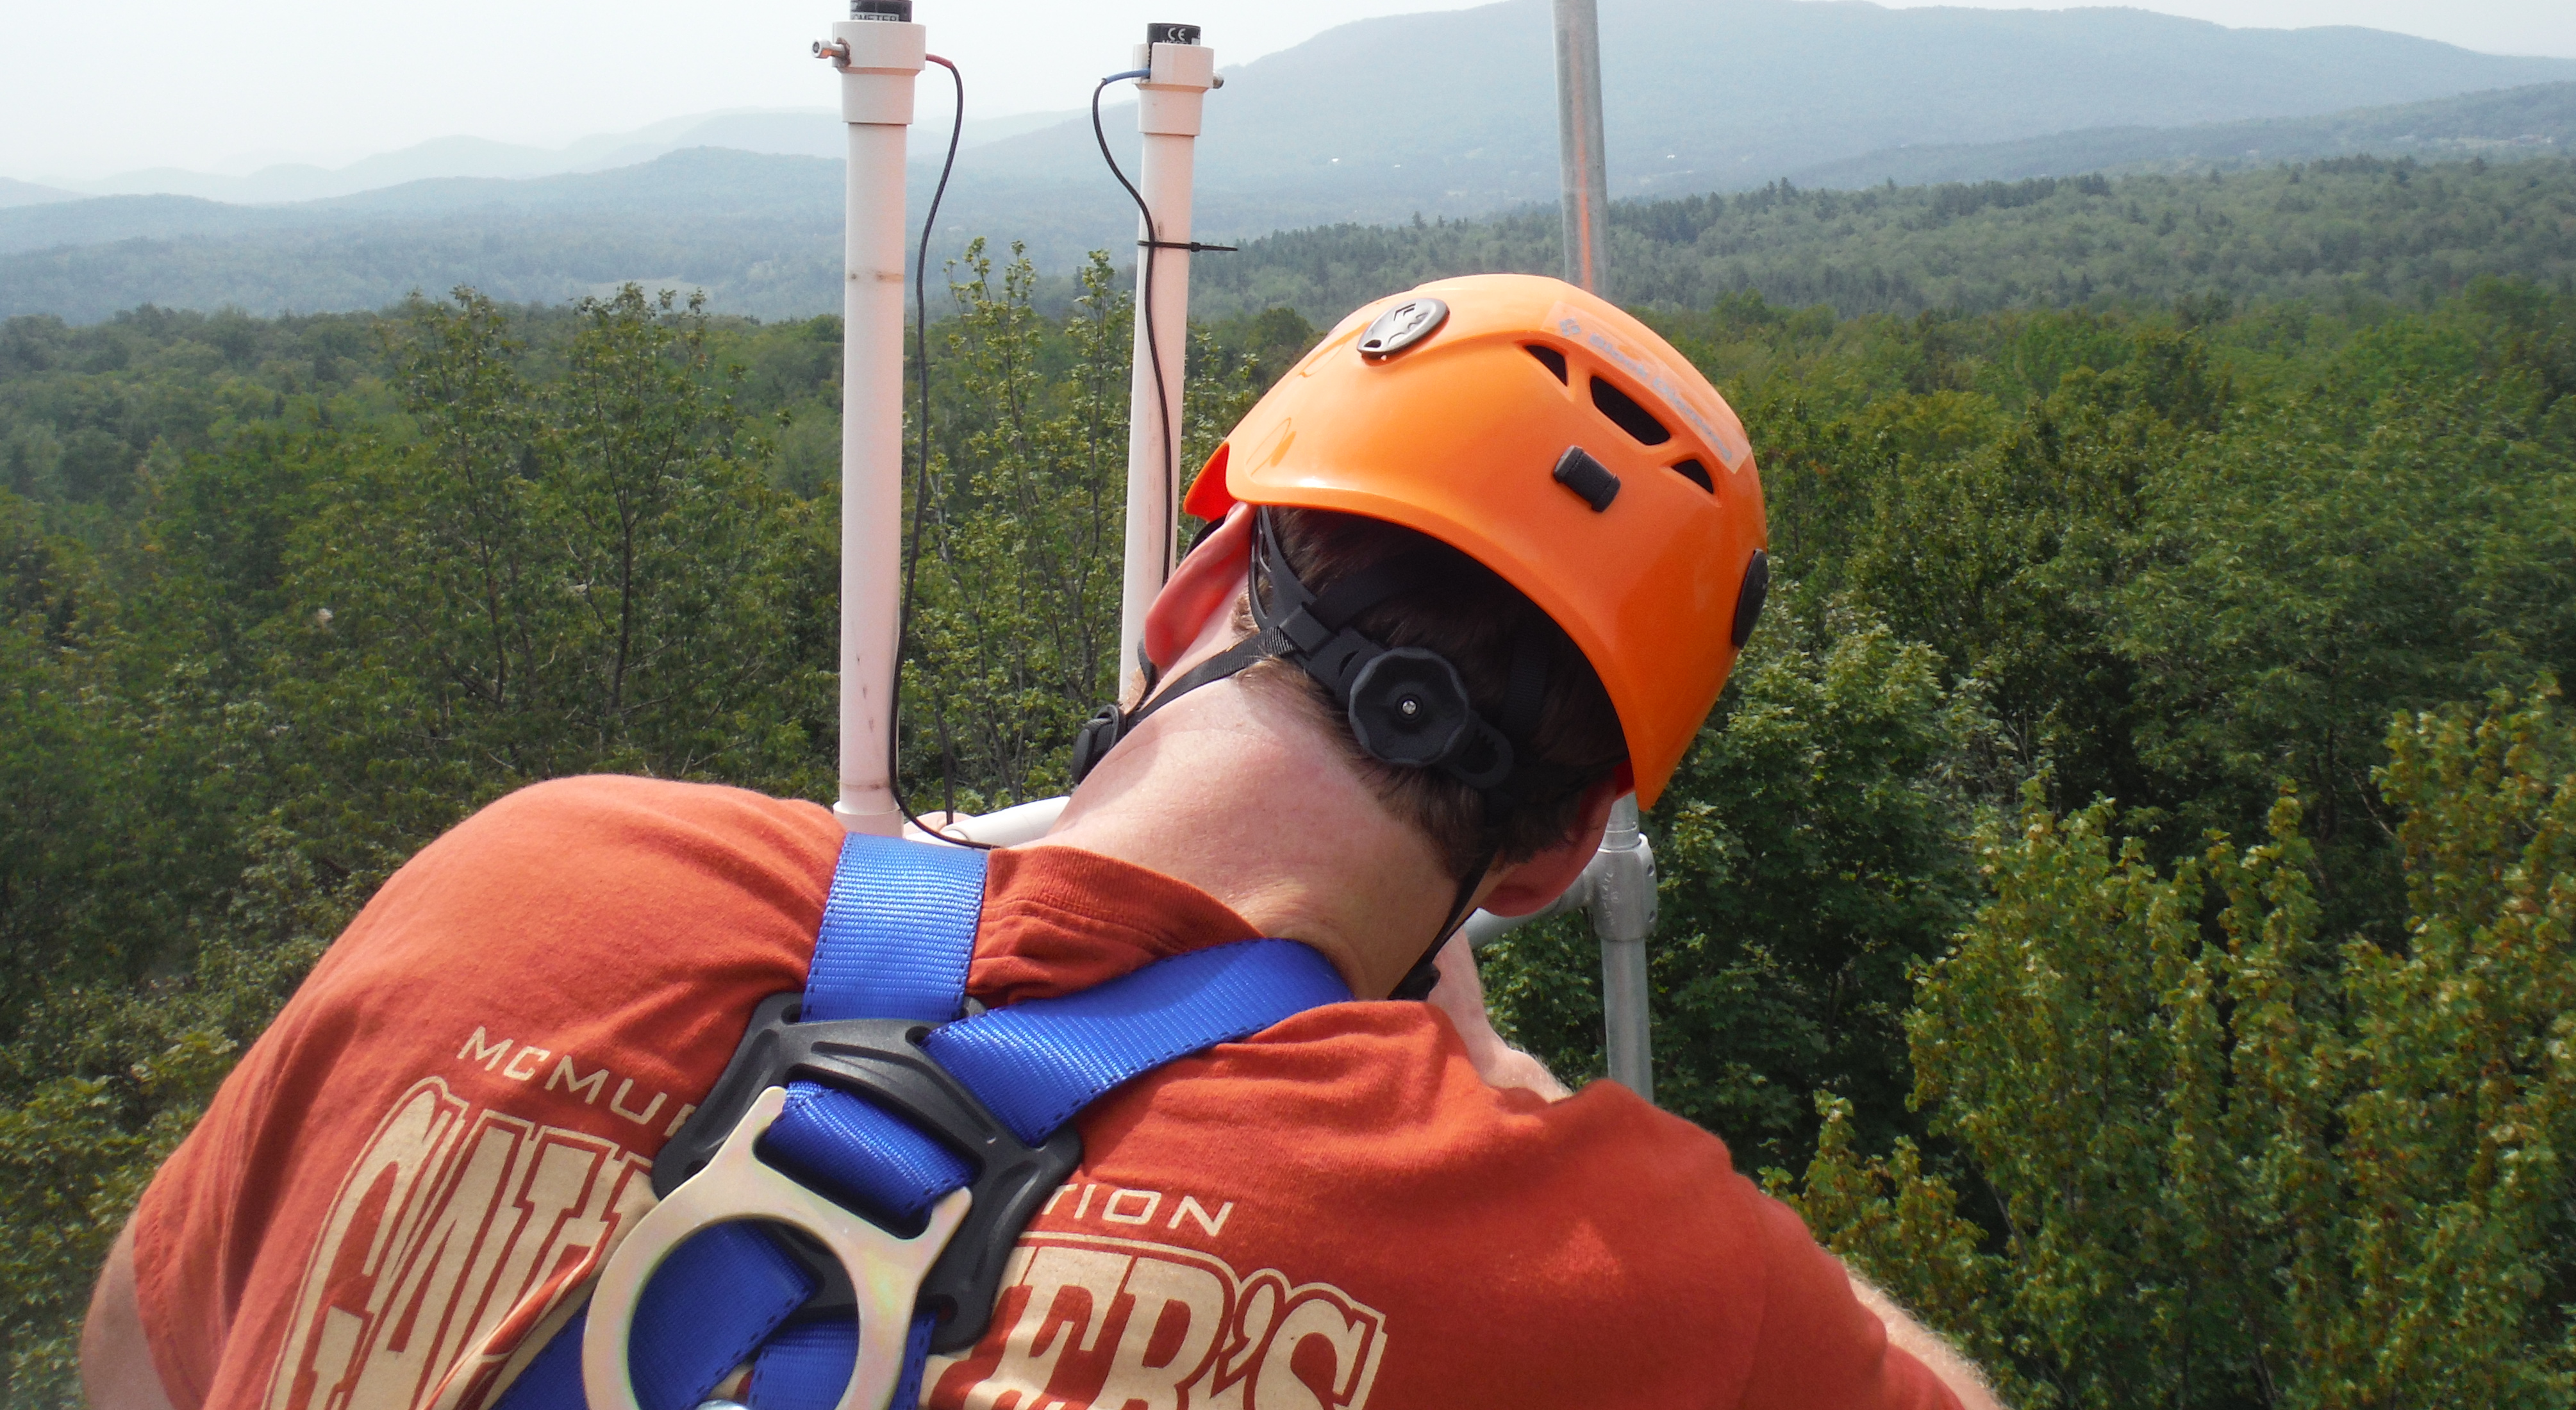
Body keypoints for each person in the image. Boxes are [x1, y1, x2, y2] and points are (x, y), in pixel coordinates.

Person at [83, 276, 2000, 1410]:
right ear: (1555, 852)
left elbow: (141, 1351)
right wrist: (1494, 1085)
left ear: (1198, 587)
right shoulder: (1599, 1274)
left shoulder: (532, 877)